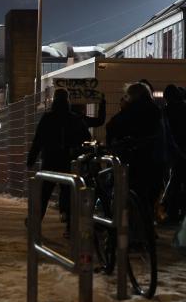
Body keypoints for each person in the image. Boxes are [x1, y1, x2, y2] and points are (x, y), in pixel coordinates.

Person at [27, 88, 91, 233]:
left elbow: (38, 140)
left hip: (50, 159)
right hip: (68, 160)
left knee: (43, 193)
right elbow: (86, 137)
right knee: (69, 192)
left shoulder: (47, 118)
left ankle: (35, 222)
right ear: (67, 100)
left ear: (54, 100)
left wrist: (31, 158)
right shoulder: (74, 119)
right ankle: (70, 225)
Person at [106, 82, 163, 216]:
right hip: (154, 159)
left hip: (134, 158)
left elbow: (111, 126)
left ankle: (123, 228)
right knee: (148, 196)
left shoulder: (131, 110)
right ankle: (148, 228)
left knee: (129, 193)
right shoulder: (155, 109)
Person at [163, 84, 186, 222]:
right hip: (184, 150)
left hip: (172, 152)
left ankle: (171, 212)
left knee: (173, 183)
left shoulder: (166, 111)